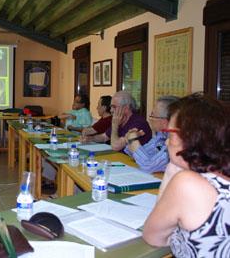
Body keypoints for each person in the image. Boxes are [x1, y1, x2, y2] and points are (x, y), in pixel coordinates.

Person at [143, 93, 230, 257]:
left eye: (170, 134)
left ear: (190, 136)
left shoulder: (187, 183)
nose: (167, 142)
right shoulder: (218, 174)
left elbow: (154, 236)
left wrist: (171, 170)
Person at [124, 96, 179, 173]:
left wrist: (133, 140)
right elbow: (142, 154)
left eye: (153, 115)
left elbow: (148, 166)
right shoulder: (161, 134)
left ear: (164, 121)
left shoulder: (178, 140)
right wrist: (131, 141)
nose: (150, 119)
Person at [82, 91, 152, 151]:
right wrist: (89, 139)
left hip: (137, 163)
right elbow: (104, 137)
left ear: (126, 108)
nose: (111, 110)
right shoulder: (120, 119)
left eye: (114, 107)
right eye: (111, 107)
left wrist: (115, 125)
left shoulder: (138, 122)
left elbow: (116, 146)